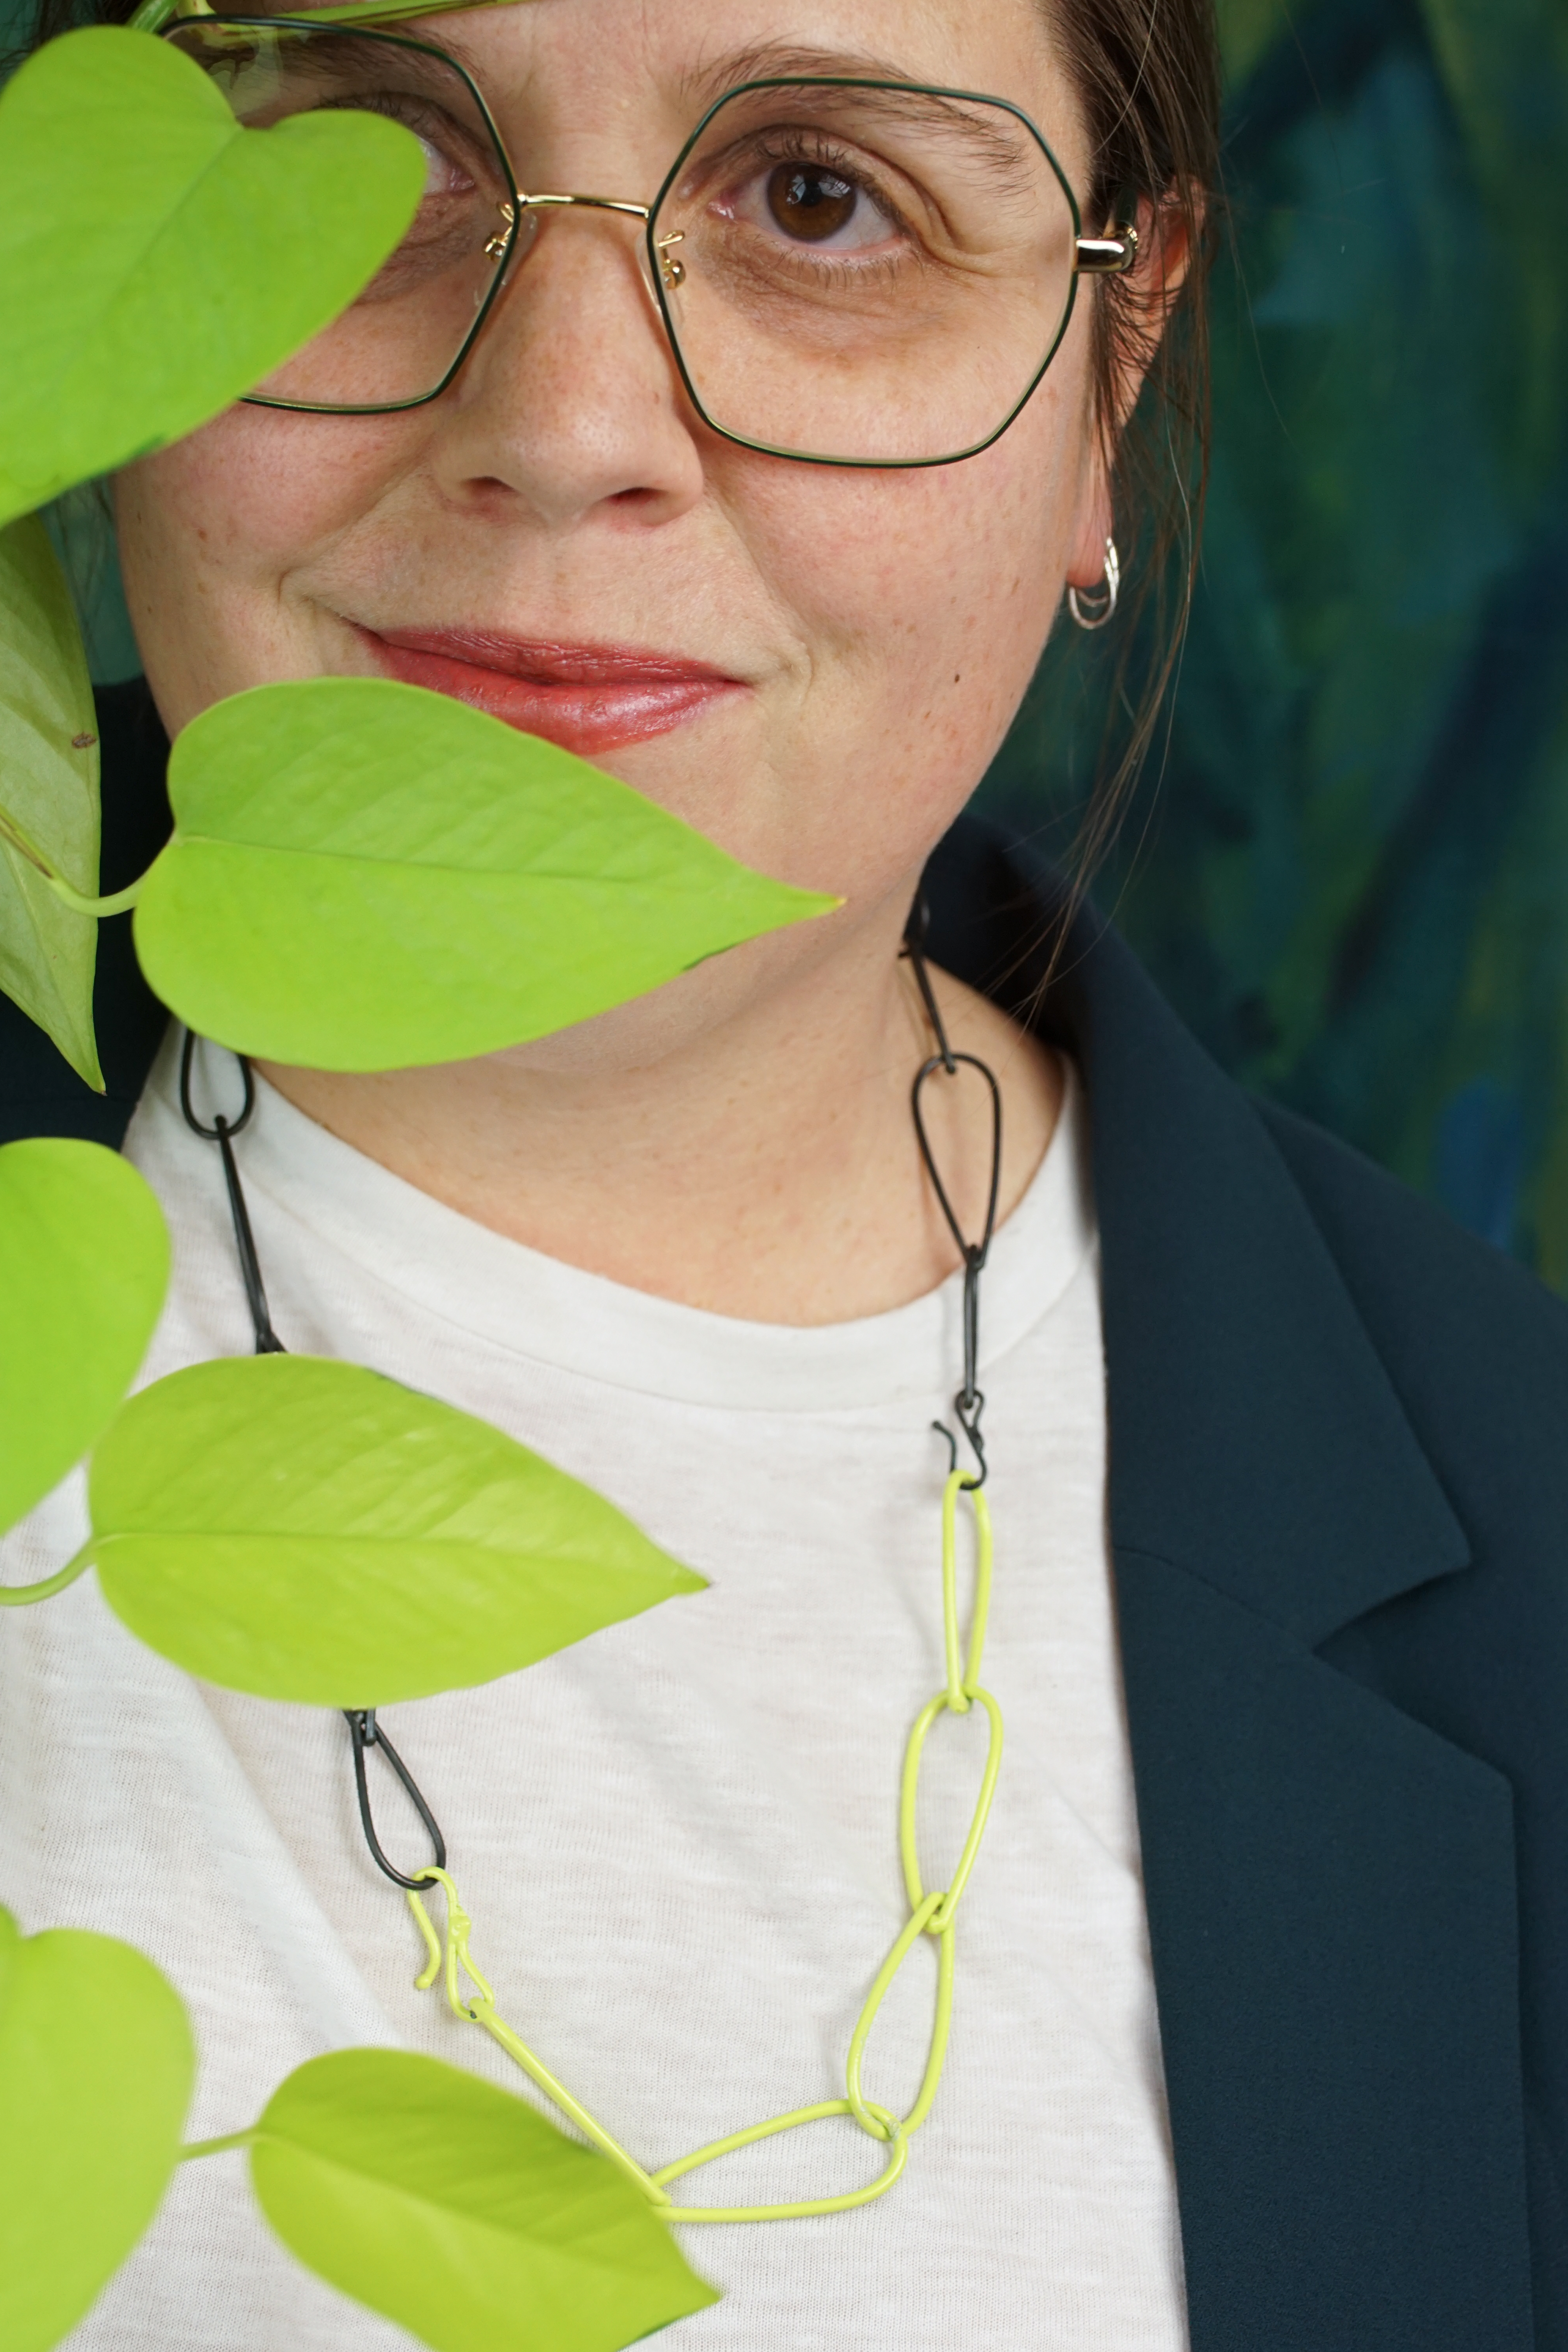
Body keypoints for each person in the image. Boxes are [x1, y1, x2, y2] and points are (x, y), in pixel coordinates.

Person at [0, 0, 1563, 2344]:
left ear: (1109, 379)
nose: (564, 425)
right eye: (372, 152)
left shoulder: (1532, 1544)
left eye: (821, 199)